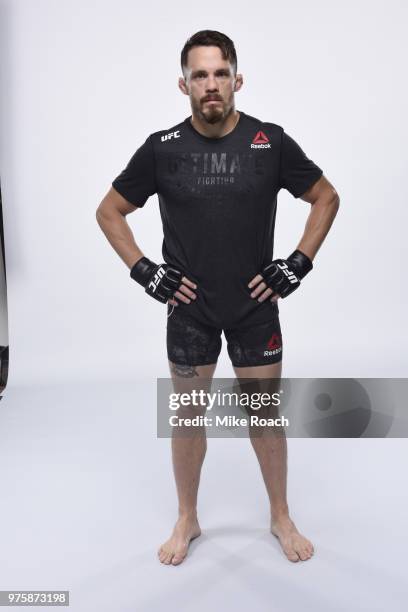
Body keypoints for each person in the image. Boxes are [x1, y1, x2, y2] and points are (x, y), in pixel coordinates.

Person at [96, 29, 340, 566]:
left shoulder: (269, 142)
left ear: (238, 79)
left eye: (221, 73)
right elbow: (108, 211)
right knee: (187, 417)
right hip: (191, 312)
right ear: (183, 83)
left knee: (264, 414)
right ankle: (188, 517)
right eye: (200, 75)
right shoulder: (161, 149)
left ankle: (280, 515)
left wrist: (296, 264)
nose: (211, 84)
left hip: (255, 307)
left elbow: (326, 196)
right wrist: (144, 272)